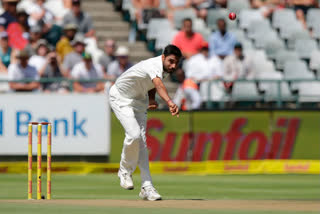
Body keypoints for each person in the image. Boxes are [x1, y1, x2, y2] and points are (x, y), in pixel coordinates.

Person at [107, 44, 181, 201]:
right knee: (134, 135)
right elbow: (158, 84)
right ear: (163, 57)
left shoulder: (165, 70)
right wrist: (169, 102)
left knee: (142, 144)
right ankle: (124, 170)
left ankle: (147, 187)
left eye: (176, 63)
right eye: (171, 61)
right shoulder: (154, 64)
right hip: (121, 97)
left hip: (139, 101)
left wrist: (152, 98)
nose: (173, 66)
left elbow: (152, 84)